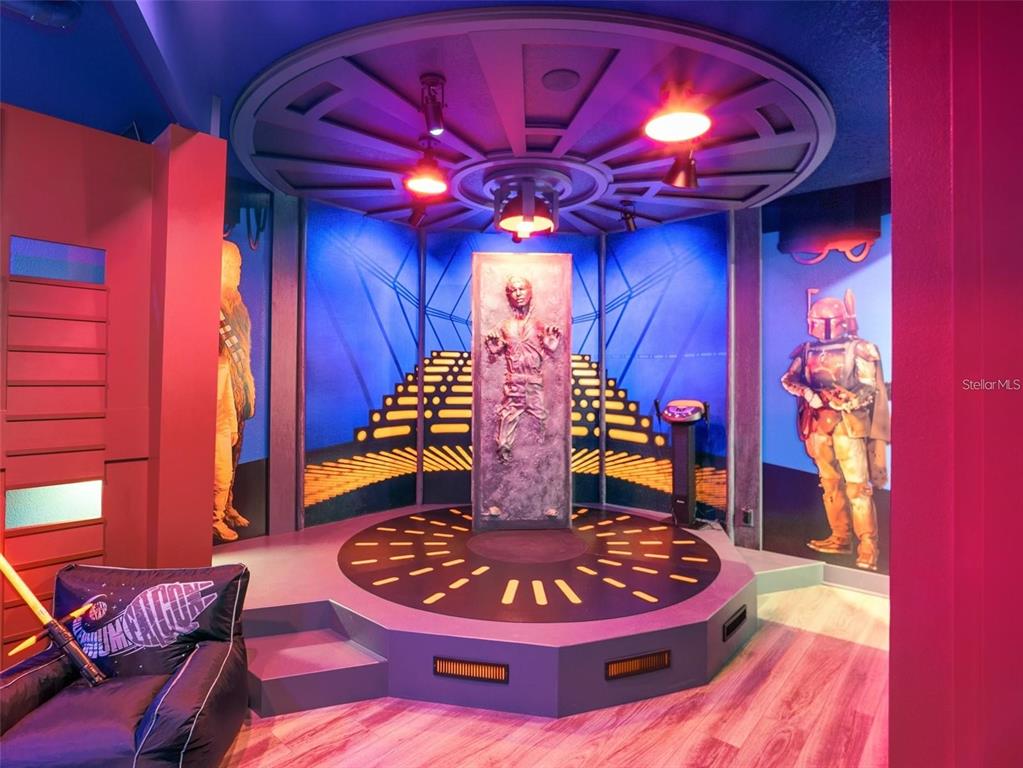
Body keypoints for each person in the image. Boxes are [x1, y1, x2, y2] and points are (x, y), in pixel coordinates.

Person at [780, 288, 890, 571]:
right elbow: (789, 379)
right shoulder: (806, 350)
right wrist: (808, 393)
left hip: (848, 424)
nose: (812, 326)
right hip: (818, 423)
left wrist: (846, 401)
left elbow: (869, 387)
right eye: (812, 320)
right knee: (829, 483)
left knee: (857, 488)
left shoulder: (861, 348)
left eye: (818, 321)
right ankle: (840, 537)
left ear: (836, 322)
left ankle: (868, 548)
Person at [484, 276, 561, 465]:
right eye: (513, 290)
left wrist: (551, 346)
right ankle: (504, 461)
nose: (518, 294)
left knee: (544, 425)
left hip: (534, 385)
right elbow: (495, 355)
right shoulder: (505, 327)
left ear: (530, 292)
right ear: (508, 295)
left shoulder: (540, 325)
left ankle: (544, 463)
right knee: (504, 434)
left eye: (522, 289)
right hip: (514, 386)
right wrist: (493, 349)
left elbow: (550, 350)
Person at [213, 241, 256, 542]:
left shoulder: (237, 308)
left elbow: (243, 353)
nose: (237, 272)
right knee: (218, 454)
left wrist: (247, 385)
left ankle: (226, 506)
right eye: (231, 266)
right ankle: (214, 514)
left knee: (233, 450)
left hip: (236, 387)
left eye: (238, 266)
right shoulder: (208, 306)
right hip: (217, 389)